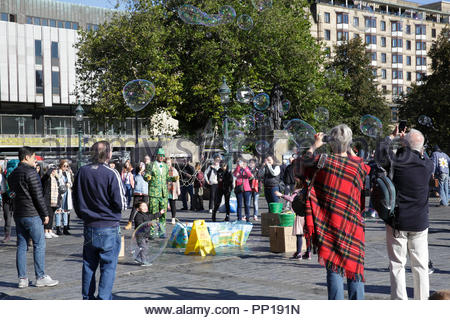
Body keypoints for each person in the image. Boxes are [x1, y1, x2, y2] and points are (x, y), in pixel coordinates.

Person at [297, 125, 370, 300]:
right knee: (355, 268)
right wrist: (349, 148)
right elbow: (363, 166)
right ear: (350, 143)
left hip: (329, 222)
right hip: (353, 224)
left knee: (334, 266)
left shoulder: (323, 161)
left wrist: (315, 145)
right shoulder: (357, 166)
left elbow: (300, 164)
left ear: (330, 143)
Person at [379, 128, 433, 300]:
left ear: (404, 144)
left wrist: (393, 138)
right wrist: (408, 145)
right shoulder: (427, 164)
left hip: (398, 222)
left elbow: (381, 156)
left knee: (397, 264)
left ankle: (399, 303)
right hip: (419, 222)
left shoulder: (397, 161)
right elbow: (421, 154)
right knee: (421, 265)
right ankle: (422, 301)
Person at [73, 141, 126, 300]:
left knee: (88, 266)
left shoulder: (82, 171)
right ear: (108, 154)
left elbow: (76, 198)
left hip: (89, 225)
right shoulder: (111, 173)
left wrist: (84, 214)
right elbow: (122, 203)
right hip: (108, 226)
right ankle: (103, 301)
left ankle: (87, 298)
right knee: (108, 267)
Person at [8, 146, 59, 288]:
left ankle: (22, 279)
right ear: (26, 157)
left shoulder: (13, 174)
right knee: (39, 244)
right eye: (33, 157)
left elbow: (12, 194)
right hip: (32, 214)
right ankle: (40, 276)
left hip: (19, 214)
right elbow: (38, 196)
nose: (35, 160)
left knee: (22, 246)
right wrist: (45, 214)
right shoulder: (30, 173)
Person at [275, 177, 312, 260]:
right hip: (308, 215)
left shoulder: (298, 191)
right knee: (307, 235)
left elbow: (291, 199)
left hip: (299, 215)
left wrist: (281, 195)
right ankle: (308, 252)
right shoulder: (308, 191)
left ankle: (299, 253)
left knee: (299, 234)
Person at [144, 148, 177, 237]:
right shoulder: (151, 165)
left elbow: (167, 177)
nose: (162, 157)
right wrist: (148, 177)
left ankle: (162, 231)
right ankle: (151, 232)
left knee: (163, 213)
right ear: (157, 156)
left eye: (163, 156)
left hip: (163, 193)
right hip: (154, 192)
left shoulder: (166, 166)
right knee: (153, 213)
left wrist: (173, 179)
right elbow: (146, 175)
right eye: (160, 155)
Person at [125, 163, 148, 230]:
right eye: (140, 165)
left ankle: (145, 222)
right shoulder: (135, 172)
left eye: (142, 166)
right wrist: (128, 165)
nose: (141, 167)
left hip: (145, 192)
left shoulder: (146, 173)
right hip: (137, 192)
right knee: (134, 208)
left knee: (145, 208)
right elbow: (129, 169)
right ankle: (129, 222)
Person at [2, 159, 19, 243]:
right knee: (16, 218)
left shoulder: (4, 173)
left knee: (8, 217)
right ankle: (17, 236)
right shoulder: (17, 172)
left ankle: (7, 235)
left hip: (7, 197)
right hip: (15, 197)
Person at [42, 167, 61, 239]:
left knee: (52, 215)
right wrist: (51, 169)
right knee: (48, 215)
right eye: (53, 171)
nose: (54, 172)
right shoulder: (47, 178)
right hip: (47, 199)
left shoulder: (56, 178)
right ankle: (45, 231)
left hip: (54, 200)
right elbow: (46, 176)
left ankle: (50, 230)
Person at [55, 160, 73, 236]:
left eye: (67, 166)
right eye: (64, 166)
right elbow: (57, 181)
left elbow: (71, 182)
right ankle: (58, 227)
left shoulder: (68, 173)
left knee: (66, 210)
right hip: (59, 193)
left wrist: (69, 184)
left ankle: (65, 227)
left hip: (66, 192)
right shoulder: (57, 172)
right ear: (61, 165)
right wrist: (58, 176)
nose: (65, 167)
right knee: (58, 210)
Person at [132, 201, 153, 265]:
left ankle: (138, 258)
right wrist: (148, 224)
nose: (145, 207)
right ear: (138, 209)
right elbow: (140, 224)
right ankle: (143, 261)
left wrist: (160, 213)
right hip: (140, 235)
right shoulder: (138, 216)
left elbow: (153, 216)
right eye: (143, 206)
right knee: (144, 248)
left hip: (145, 235)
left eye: (146, 206)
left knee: (144, 247)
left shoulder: (147, 214)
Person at [166, 158, 181, 225]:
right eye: (167, 162)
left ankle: (173, 218)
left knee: (173, 204)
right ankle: (162, 218)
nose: (168, 164)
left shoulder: (174, 170)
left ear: (171, 163)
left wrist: (178, 189)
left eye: (169, 162)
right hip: (165, 188)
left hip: (173, 189)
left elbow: (177, 180)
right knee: (163, 204)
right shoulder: (163, 170)